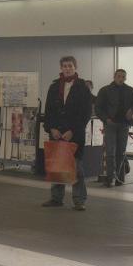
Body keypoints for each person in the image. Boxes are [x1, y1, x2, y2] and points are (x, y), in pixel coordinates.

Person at [41, 56, 93, 211]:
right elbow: (48, 110)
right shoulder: (54, 86)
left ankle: (79, 200)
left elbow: (85, 113)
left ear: (75, 67)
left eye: (70, 66)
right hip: (56, 133)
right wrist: (51, 128)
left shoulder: (82, 87)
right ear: (61, 68)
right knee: (57, 166)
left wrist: (73, 131)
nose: (67, 68)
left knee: (76, 168)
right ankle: (56, 198)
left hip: (74, 134)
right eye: (64, 66)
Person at [95, 69, 133, 187]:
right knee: (110, 152)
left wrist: (132, 110)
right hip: (110, 124)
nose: (121, 79)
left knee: (121, 152)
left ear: (125, 78)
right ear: (114, 77)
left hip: (124, 124)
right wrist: (106, 119)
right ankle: (109, 178)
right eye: (119, 76)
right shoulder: (105, 90)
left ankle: (120, 178)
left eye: (123, 77)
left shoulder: (131, 91)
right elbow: (98, 108)